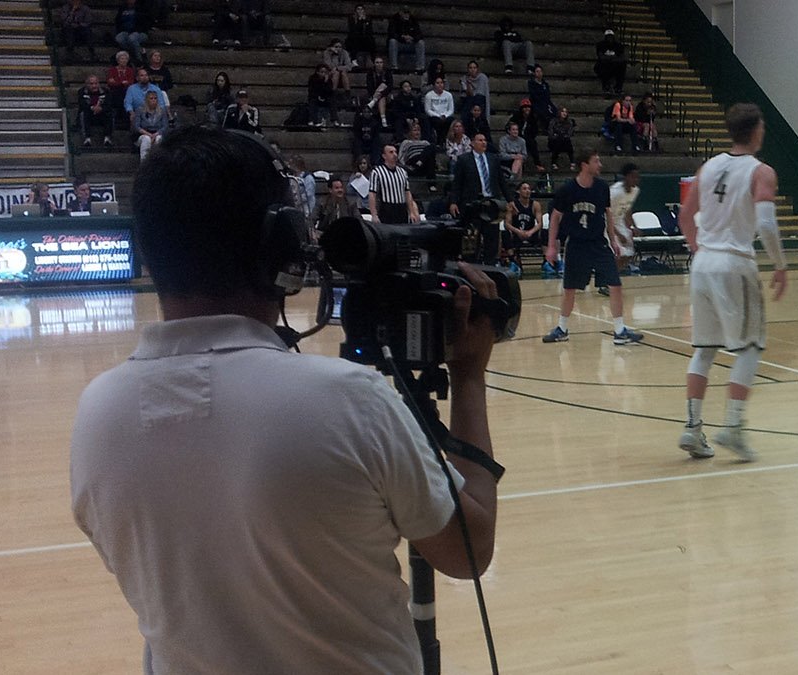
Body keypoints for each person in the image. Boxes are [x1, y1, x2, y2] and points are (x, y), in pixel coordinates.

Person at [71, 126, 500, 673]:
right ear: (281, 244)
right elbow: (469, 549)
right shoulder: (348, 402)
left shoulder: (95, 415)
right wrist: (467, 378)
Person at [676, 104, 788, 460]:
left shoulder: (707, 167)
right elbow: (767, 225)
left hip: (704, 261)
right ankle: (734, 428)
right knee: (751, 346)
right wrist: (781, 266)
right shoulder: (761, 171)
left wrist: (701, 248)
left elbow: (684, 217)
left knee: (705, 349)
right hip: (734, 262)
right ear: (754, 130)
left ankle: (692, 429)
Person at [542, 149, 644, 346]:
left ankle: (620, 330)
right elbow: (555, 217)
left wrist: (613, 240)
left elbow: (608, 214)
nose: (600, 165)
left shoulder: (601, 187)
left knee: (615, 285)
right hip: (577, 245)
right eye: (596, 161)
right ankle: (562, 328)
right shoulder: (568, 189)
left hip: (599, 243)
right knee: (570, 289)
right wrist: (552, 246)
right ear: (584, 165)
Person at [450, 133, 509, 261]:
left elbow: (501, 182)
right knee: (472, 239)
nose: (484, 142)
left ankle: (490, 266)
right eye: (480, 140)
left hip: (492, 204)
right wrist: (453, 201)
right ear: (472, 143)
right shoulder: (464, 160)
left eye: (485, 140)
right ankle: (471, 266)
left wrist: (510, 200)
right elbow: (457, 183)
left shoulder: (493, 159)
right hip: (473, 204)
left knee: (492, 239)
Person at [369, 143, 418, 224]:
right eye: (391, 152)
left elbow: (407, 193)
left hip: (402, 209)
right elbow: (372, 194)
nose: (395, 154)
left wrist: (411, 212)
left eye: (395, 152)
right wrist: (374, 215)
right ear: (384, 156)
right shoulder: (377, 172)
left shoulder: (402, 172)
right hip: (386, 209)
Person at [608, 162, 640, 280]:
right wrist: (618, 234)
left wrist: (633, 227)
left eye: (637, 177)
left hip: (619, 221)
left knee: (628, 254)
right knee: (618, 253)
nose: (636, 179)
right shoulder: (614, 192)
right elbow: (607, 214)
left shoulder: (635, 190)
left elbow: (627, 208)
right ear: (626, 177)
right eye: (633, 176)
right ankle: (607, 280)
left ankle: (612, 278)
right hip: (608, 222)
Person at [504, 180, 542, 265]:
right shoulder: (512, 204)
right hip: (517, 233)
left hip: (530, 232)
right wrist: (518, 231)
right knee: (505, 233)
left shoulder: (535, 204)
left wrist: (530, 232)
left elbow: (540, 223)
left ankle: (547, 261)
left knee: (545, 233)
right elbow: (507, 223)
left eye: (529, 189)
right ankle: (512, 260)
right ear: (518, 191)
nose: (527, 191)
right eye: (524, 189)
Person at [507, 99, 543, 173]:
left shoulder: (533, 118)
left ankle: (537, 164)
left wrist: (529, 136)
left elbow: (535, 130)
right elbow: (508, 126)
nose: (527, 109)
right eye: (525, 107)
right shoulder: (516, 117)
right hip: (516, 136)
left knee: (532, 143)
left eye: (528, 107)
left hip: (528, 137)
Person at [386, 7, 426, 73]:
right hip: (399, 44)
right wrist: (402, 37)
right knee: (392, 41)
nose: (406, 15)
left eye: (408, 13)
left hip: (410, 44)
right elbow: (391, 33)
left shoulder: (413, 20)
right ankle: (394, 67)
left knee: (421, 43)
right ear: (400, 13)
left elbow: (420, 34)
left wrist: (412, 38)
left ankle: (420, 68)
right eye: (404, 13)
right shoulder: (394, 20)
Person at [78, 76, 114, 147]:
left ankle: (107, 138)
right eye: (91, 84)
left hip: (102, 114)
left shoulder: (106, 91)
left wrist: (101, 108)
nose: (94, 86)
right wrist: (92, 108)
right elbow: (82, 105)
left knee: (110, 113)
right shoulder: (82, 92)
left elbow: (109, 104)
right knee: (83, 114)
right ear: (87, 84)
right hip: (89, 114)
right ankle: (87, 139)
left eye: (96, 83)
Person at [133, 90, 168, 160]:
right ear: (147, 100)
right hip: (143, 134)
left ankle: (158, 162)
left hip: (157, 133)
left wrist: (155, 135)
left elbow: (165, 126)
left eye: (155, 98)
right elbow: (137, 126)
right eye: (151, 98)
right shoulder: (140, 110)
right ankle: (144, 162)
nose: (153, 100)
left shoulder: (162, 111)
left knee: (159, 139)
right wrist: (149, 134)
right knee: (146, 139)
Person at [113, 0, 149, 64]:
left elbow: (146, 21)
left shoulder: (141, 8)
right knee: (119, 39)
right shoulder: (122, 8)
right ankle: (132, 53)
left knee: (132, 38)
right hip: (125, 31)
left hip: (140, 32)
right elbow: (118, 21)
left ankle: (139, 60)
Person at [365, 56, 394, 128]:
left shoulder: (387, 72)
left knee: (383, 85)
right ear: (374, 64)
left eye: (381, 62)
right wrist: (376, 94)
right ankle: (383, 119)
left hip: (385, 94)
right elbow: (369, 86)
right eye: (377, 62)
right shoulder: (370, 73)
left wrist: (380, 94)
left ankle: (374, 101)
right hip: (374, 94)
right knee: (382, 98)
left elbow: (390, 86)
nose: (379, 64)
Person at [594, 29, 626, 94]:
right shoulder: (600, 45)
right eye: (608, 36)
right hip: (603, 65)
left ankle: (618, 88)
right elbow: (601, 57)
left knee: (622, 66)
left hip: (615, 66)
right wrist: (613, 58)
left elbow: (621, 58)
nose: (609, 38)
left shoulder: (618, 46)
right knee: (604, 66)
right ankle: (606, 87)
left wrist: (610, 58)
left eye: (611, 36)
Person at [422, 76, 453, 141]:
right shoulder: (429, 95)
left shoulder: (448, 95)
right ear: (434, 85)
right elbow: (428, 110)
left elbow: (451, 109)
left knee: (451, 121)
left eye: (441, 83)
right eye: (437, 83)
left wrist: (445, 115)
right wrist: (438, 116)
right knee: (436, 122)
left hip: (446, 116)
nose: (440, 85)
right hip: (434, 116)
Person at [546, 106, 575, 170]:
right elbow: (550, 132)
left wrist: (563, 136)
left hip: (564, 140)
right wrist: (556, 136)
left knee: (567, 142)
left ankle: (572, 162)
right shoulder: (553, 121)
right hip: (554, 140)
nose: (564, 113)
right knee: (557, 142)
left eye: (566, 112)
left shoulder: (569, 122)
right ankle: (553, 162)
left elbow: (569, 133)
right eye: (562, 111)